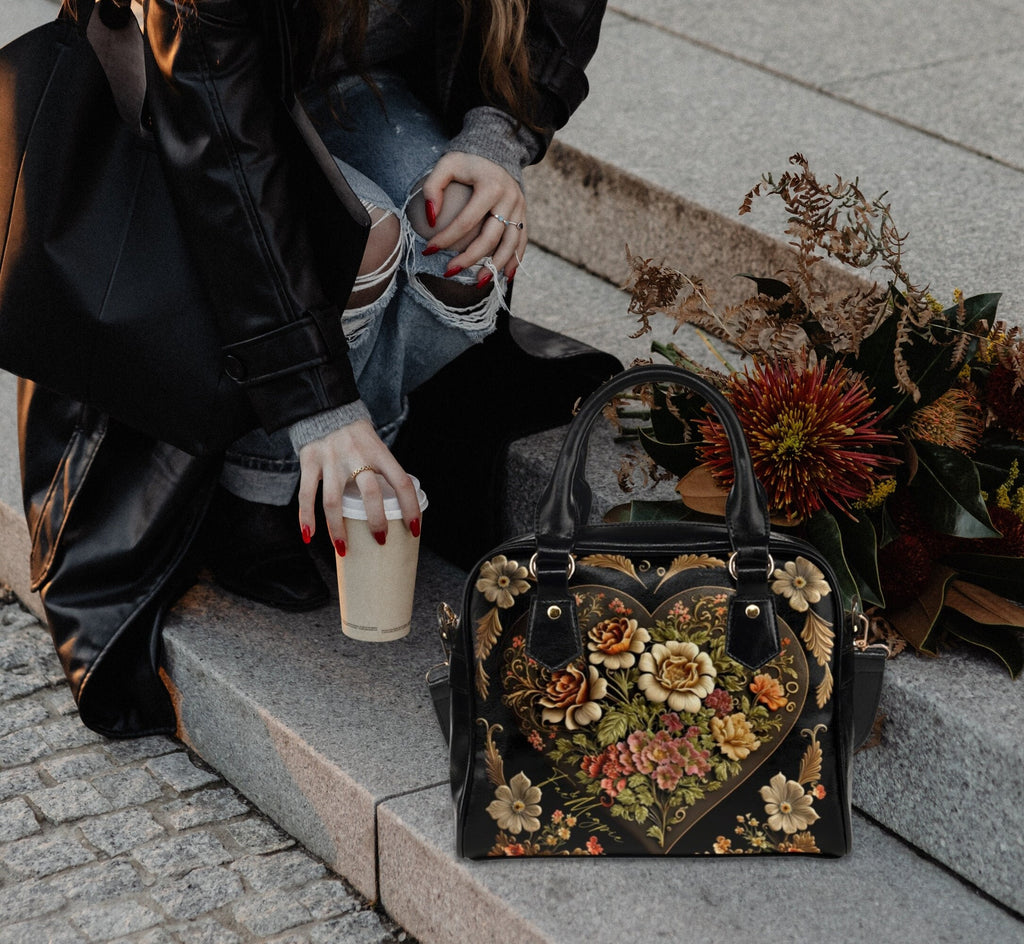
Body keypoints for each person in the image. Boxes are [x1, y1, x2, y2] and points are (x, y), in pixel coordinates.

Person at [18, 0, 615, 736]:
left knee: (460, 236)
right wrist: (321, 412)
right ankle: (263, 496)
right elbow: (228, 161)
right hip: (196, 113)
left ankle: (350, 462)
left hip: (368, 80)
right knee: (358, 238)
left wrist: (499, 139)